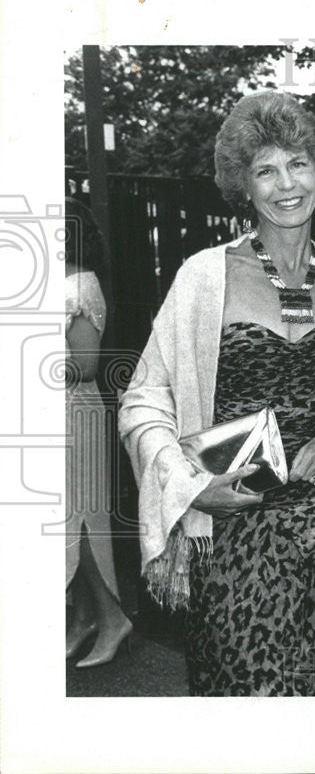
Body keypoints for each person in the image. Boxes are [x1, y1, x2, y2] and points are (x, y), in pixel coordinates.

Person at [119, 91, 315, 696]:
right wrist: (193, 488)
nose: (285, 184)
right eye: (266, 169)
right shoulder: (204, 276)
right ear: (244, 185)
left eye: (298, 164)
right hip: (235, 531)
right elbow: (142, 401)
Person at [64, 197, 133, 668]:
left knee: (81, 522)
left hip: (75, 415)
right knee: (65, 521)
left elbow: (86, 367)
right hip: (53, 414)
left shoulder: (81, 286)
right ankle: (83, 619)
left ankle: (113, 619)